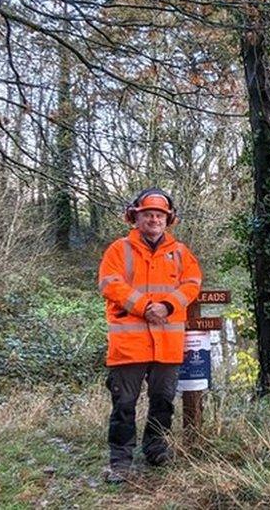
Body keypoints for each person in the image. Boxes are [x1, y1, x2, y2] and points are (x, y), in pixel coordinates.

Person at [97, 188, 202, 484]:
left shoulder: (181, 252)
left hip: (167, 343)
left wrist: (168, 305)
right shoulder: (119, 250)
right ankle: (120, 461)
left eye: (159, 215)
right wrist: (145, 307)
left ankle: (156, 448)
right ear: (136, 217)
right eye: (148, 215)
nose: (154, 219)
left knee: (163, 401)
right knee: (124, 404)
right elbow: (109, 283)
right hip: (129, 345)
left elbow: (193, 283)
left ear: (168, 219)